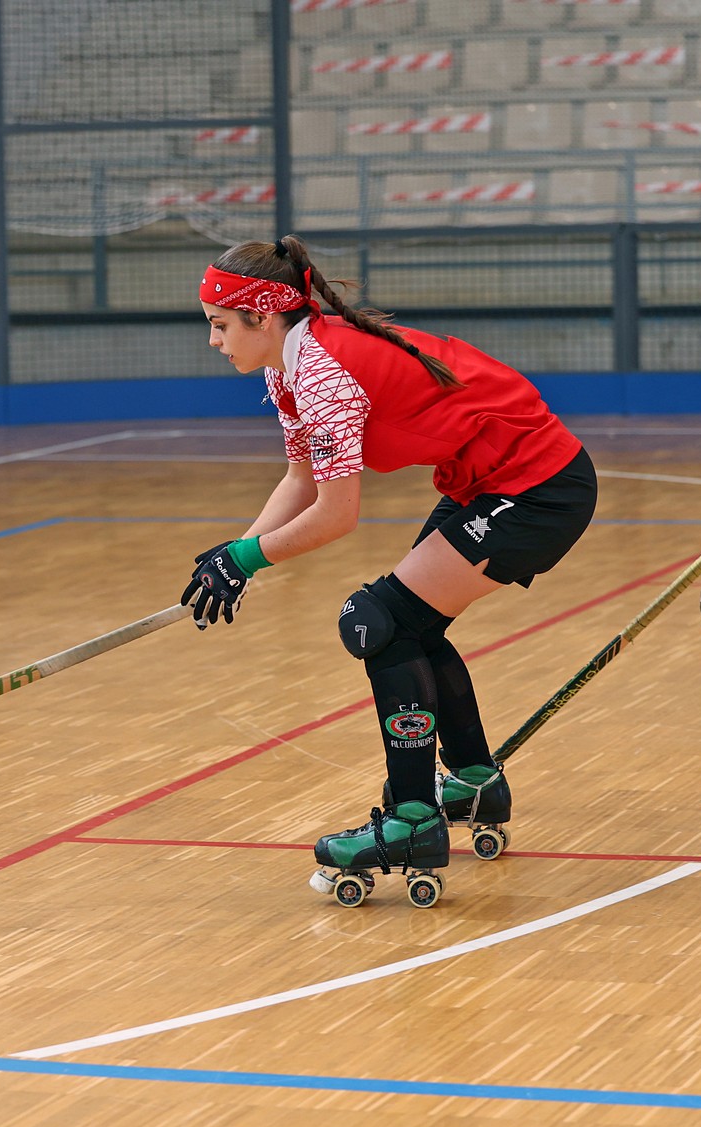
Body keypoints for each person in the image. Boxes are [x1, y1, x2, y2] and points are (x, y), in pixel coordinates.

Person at [185, 235, 597, 902]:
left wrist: (248, 556)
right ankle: (472, 782)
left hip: (537, 487)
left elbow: (336, 514)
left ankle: (412, 820)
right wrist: (236, 557)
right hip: (491, 481)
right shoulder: (289, 366)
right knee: (411, 625)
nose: (213, 341)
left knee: (376, 620)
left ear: (261, 317)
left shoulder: (321, 372)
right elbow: (300, 479)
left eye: (220, 325)